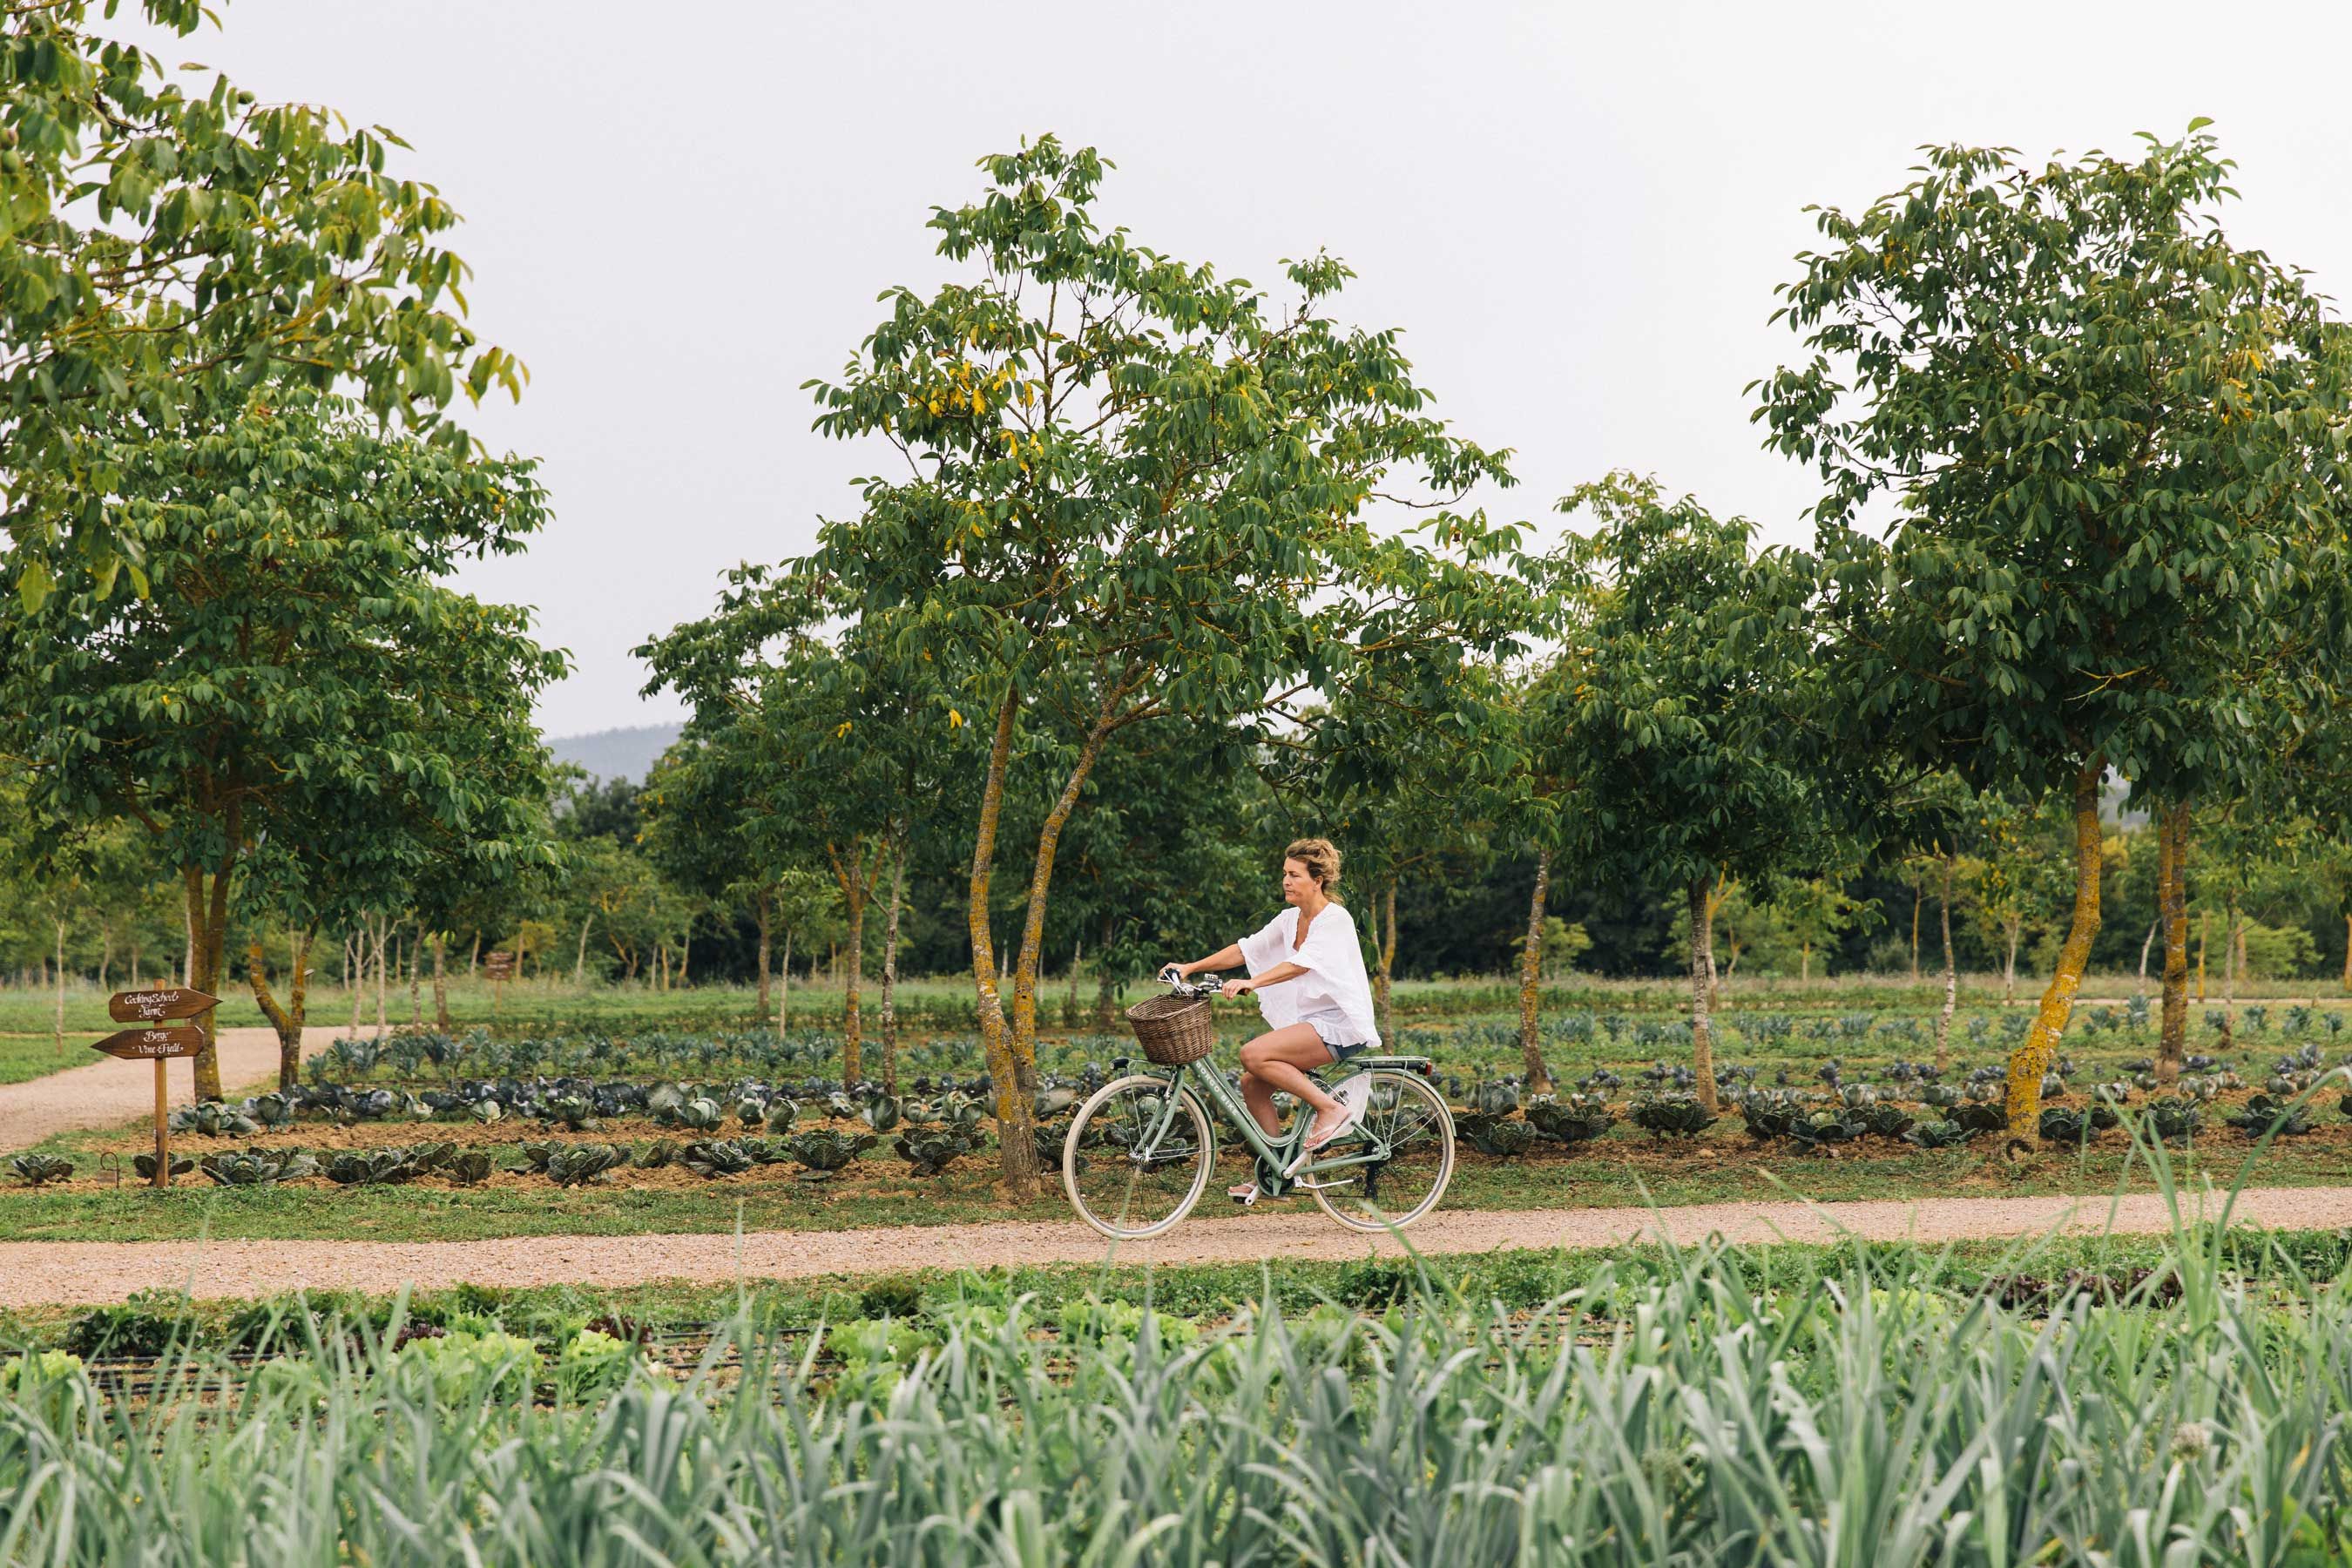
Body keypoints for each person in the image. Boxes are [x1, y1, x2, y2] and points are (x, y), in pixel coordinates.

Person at [1163, 837, 1381, 1202]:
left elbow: (1300, 963)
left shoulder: (1334, 920)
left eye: (1294, 875)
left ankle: (1332, 1110)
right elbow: (1247, 948)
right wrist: (1190, 967)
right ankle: (1278, 1170)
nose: (1286, 881)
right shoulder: (1290, 919)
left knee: (1254, 1054)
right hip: (1311, 1021)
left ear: (1318, 880)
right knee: (1253, 1083)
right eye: (1285, 873)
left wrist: (1253, 981)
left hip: (1342, 1024)